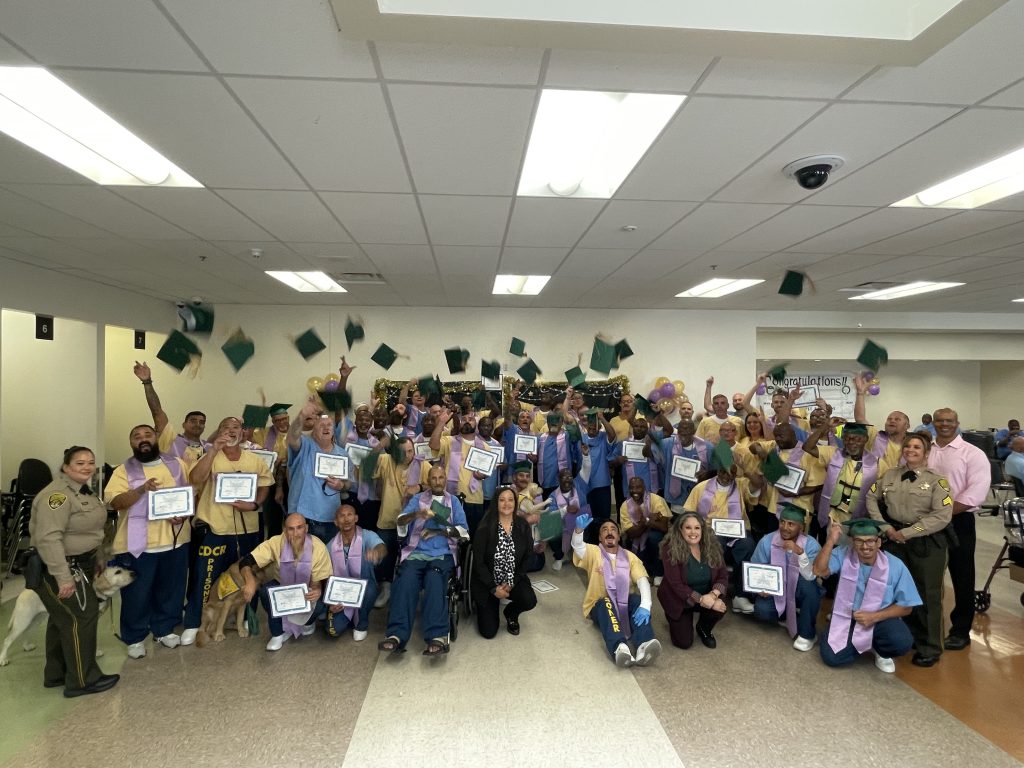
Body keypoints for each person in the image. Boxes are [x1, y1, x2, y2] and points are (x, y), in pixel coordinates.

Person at [27, 446, 119, 697]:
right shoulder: (57, 496)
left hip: (83, 563)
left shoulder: (84, 492)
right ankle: (82, 679)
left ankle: (56, 673)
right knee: (83, 615)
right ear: (66, 467)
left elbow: (91, 533)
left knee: (62, 619)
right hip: (61, 567)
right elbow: (48, 539)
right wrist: (63, 577)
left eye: (90, 462)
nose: (87, 467)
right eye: (80, 463)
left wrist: (98, 558)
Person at [181, 416, 274, 646]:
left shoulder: (254, 459)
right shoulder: (209, 455)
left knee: (248, 575)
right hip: (215, 527)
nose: (231, 431)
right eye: (225, 428)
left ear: (242, 432)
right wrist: (214, 450)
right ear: (219, 431)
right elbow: (195, 478)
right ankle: (196, 622)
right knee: (206, 578)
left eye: (236, 428)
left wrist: (254, 504)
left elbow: (265, 484)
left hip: (247, 528)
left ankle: (243, 619)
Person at [105, 425, 192, 659]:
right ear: (131, 443)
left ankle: (163, 629)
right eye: (137, 437)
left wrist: (183, 513)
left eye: (147, 435)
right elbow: (116, 503)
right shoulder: (123, 471)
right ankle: (134, 636)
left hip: (174, 540)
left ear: (156, 438)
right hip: (137, 543)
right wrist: (142, 489)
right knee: (137, 593)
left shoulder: (177, 464)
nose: (143, 440)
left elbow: (190, 493)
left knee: (171, 590)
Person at [867, 433, 953, 666]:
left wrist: (907, 532)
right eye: (907, 446)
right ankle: (909, 636)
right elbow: (871, 497)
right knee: (898, 591)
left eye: (917, 447)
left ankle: (931, 646)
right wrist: (884, 526)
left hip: (926, 541)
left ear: (926, 453)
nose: (910, 450)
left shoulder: (938, 481)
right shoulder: (889, 475)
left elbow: (942, 515)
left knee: (927, 594)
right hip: (893, 538)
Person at [379, 465, 468, 656]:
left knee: (435, 580)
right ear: (427, 481)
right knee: (405, 580)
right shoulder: (418, 499)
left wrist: (439, 530)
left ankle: (437, 635)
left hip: (442, 554)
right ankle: (396, 635)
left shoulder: (453, 502)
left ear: (445, 480)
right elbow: (401, 522)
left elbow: (463, 531)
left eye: (441, 477)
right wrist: (417, 514)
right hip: (416, 552)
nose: (437, 481)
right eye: (433, 478)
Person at [813, 518, 921, 673]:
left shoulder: (895, 565)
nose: (865, 547)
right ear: (852, 541)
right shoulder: (842, 554)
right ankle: (859, 642)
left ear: (879, 542)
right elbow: (819, 570)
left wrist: (874, 617)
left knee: (901, 641)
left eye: (870, 541)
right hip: (847, 617)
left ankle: (880, 650)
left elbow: (907, 607)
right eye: (859, 541)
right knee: (831, 658)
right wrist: (831, 540)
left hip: (880, 619)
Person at [927, 408, 990, 652]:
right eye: (940, 420)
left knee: (962, 577)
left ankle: (960, 631)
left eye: (949, 421)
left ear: (957, 423)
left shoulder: (973, 454)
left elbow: (975, 492)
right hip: (925, 522)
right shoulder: (924, 450)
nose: (944, 424)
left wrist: (941, 514)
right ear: (933, 423)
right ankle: (927, 627)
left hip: (959, 521)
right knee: (927, 576)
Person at [571, 514, 661, 667]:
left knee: (637, 601)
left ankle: (644, 645)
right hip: (600, 604)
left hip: (625, 602)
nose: (609, 532)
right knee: (606, 603)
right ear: (600, 538)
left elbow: (642, 580)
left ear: (619, 536)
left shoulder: (630, 556)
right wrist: (578, 530)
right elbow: (578, 547)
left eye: (613, 529)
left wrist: (646, 605)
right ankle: (620, 647)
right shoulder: (594, 552)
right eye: (604, 530)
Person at [240, 513, 332, 651]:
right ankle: (278, 633)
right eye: (291, 529)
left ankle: (309, 622)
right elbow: (246, 561)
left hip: (307, 591)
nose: (295, 533)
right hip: (282, 588)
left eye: (299, 528)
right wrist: (250, 581)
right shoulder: (276, 542)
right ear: (284, 530)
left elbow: (320, 580)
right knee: (265, 591)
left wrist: (317, 590)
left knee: (320, 603)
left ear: (306, 528)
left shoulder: (318, 547)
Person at [682, 464, 762, 612]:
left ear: (735, 472)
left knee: (748, 545)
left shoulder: (741, 484)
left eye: (730, 472)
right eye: (722, 471)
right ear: (717, 470)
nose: (726, 476)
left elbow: (758, 484)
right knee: (715, 541)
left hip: (738, 533)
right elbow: (688, 514)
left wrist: (746, 469)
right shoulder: (702, 487)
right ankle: (712, 591)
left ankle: (740, 596)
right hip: (709, 532)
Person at [749, 505, 823, 651]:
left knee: (809, 587)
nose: (785, 527)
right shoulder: (767, 541)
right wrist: (759, 588)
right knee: (762, 610)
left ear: (801, 527)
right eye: (782, 522)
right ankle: (787, 616)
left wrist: (800, 552)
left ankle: (807, 634)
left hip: (800, 589)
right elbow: (756, 568)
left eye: (791, 524)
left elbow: (811, 575)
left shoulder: (811, 545)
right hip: (777, 591)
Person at [471, 487, 538, 638]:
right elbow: (478, 563)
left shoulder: (522, 526)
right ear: (496, 503)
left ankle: (510, 613)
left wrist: (513, 581)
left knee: (529, 600)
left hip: (512, 579)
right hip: (488, 583)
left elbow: (528, 556)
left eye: (510, 500)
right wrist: (493, 588)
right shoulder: (484, 527)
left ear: (515, 502)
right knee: (488, 632)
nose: (506, 504)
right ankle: (487, 605)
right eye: (502, 500)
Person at [657, 512, 728, 649]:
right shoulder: (670, 549)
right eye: (688, 528)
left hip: (707, 595)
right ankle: (674, 617)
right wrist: (702, 599)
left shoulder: (712, 545)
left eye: (697, 528)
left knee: (720, 607)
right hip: (679, 599)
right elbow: (676, 584)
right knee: (683, 643)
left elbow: (723, 575)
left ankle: (703, 628)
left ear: (702, 529)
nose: (693, 532)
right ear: (680, 530)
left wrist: (713, 596)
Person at [287, 398, 351, 543]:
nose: (326, 428)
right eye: (321, 425)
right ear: (313, 429)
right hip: (303, 518)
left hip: (331, 518)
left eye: (329, 425)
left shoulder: (342, 454)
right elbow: (292, 437)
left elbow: (349, 483)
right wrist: (302, 415)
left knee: (326, 562)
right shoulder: (304, 445)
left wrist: (342, 486)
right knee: (302, 561)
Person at [323, 504, 386, 642]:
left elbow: (381, 547)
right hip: (342, 594)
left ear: (356, 518)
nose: (346, 519)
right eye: (342, 516)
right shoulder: (330, 546)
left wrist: (376, 552)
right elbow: (326, 577)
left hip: (365, 589)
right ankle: (347, 616)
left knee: (368, 590)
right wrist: (330, 602)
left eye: (350, 515)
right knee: (332, 631)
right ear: (336, 522)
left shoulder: (367, 535)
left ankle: (361, 624)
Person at [430, 406, 489, 537]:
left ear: (476, 424)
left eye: (471, 419)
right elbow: (433, 445)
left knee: (469, 537)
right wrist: (441, 422)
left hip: (474, 499)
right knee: (448, 536)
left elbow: (486, 472)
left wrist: (483, 475)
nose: (467, 421)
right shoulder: (449, 441)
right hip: (450, 497)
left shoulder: (485, 447)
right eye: (464, 419)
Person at [133, 361, 208, 464]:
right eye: (193, 421)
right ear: (184, 424)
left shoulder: (208, 447)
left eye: (202, 422)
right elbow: (157, 412)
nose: (197, 424)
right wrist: (147, 382)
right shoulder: (171, 439)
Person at [619, 477, 670, 583]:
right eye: (632, 488)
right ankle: (645, 571)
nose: (635, 491)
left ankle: (658, 572)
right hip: (635, 541)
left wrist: (643, 524)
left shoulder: (656, 500)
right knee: (629, 541)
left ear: (644, 488)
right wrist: (648, 520)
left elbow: (664, 527)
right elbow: (631, 533)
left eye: (638, 487)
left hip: (655, 537)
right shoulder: (625, 506)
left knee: (654, 537)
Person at [252, 403, 291, 537]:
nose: (282, 422)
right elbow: (251, 441)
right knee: (273, 521)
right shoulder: (263, 433)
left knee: (291, 519)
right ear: (273, 421)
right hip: (269, 482)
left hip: (291, 482)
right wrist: (259, 412)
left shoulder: (296, 435)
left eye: (284, 419)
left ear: (288, 417)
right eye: (277, 420)